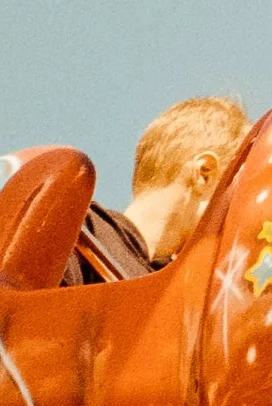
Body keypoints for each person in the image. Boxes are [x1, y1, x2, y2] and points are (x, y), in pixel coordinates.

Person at [66, 95, 249, 284]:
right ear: (204, 173)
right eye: (240, 194)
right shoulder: (78, 236)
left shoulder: (182, 287)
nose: (240, 217)